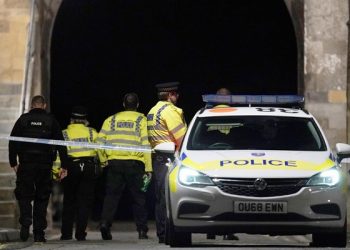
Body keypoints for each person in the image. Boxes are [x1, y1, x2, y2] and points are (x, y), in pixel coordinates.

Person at [8, 95, 68, 242]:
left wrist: (13, 162)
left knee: (24, 195)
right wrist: (64, 166)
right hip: (44, 166)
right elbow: (61, 144)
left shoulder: (23, 119)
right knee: (42, 198)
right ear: (44, 105)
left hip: (26, 165)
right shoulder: (51, 120)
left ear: (31, 105)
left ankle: (25, 222)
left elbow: (12, 141)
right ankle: (39, 234)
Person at [98, 93, 152, 240]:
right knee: (138, 198)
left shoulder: (111, 119)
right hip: (134, 163)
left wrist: (104, 160)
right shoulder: (141, 119)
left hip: (114, 163)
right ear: (138, 104)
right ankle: (142, 230)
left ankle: (104, 224)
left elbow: (99, 142)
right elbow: (145, 143)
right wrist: (148, 168)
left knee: (111, 197)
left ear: (123, 104)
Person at [147, 82, 187, 243]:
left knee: (160, 198)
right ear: (170, 95)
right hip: (171, 158)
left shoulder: (153, 110)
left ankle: (162, 232)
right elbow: (182, 138)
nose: (177, 97)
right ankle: (170, 232)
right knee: (171, 196)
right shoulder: (170, 111)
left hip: (158, 158)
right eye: (176, 94)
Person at [60, 106, 100, 241]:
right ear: (85, 120)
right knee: (84, 202)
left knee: (69, 201)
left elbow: (58, 155)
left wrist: (56, 172)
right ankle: (80, 234)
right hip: (88, 168)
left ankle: (66, 234)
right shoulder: (92, 133)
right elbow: (100, 151)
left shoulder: (64, 133)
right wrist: (103, 164)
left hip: (70, 167)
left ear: (71, 120)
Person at [206, 87, 239, 241]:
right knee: (231, 196)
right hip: (233, 161)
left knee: (210, 195)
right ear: (229, 99)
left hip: (208, 160)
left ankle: (210, 231)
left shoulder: (207, 114)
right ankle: (228, 231)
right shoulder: (237, 114)